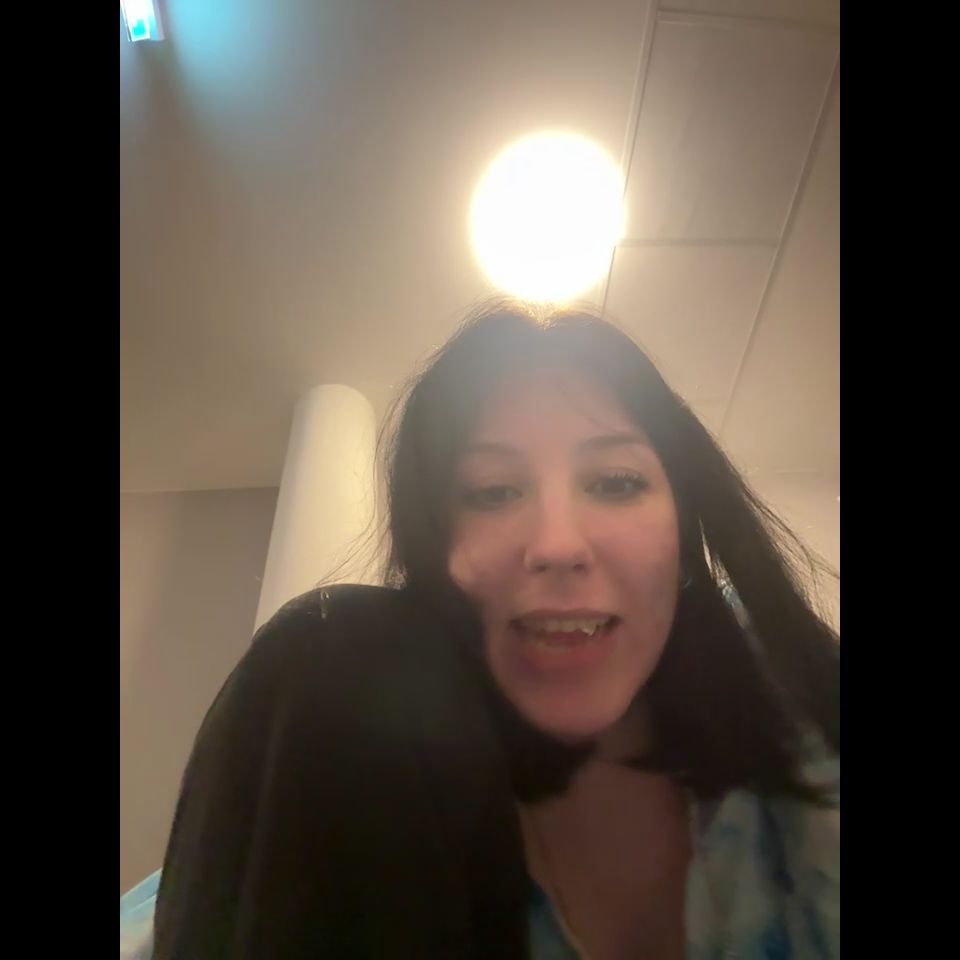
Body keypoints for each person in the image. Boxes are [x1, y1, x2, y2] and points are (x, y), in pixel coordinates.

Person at [121, 300, 840, 960]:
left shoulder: (786, 688)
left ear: (683, 529)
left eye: (615, 482)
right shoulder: (349, 756)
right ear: (435, 553)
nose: (557, 544)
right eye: (493, 492)